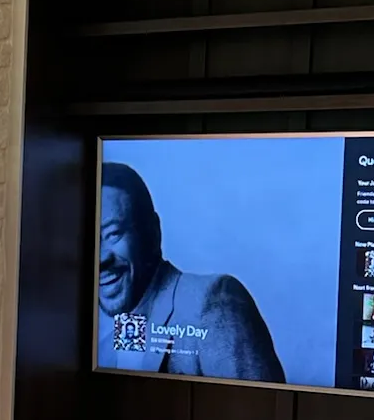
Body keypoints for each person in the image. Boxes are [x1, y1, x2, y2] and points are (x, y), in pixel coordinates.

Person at [98, 161, 284, 380]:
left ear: (152, 233)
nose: (101, 259)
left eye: (113, 233)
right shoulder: (106, 348)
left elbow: (255, 407)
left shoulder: (213, 299)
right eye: (92, 238)